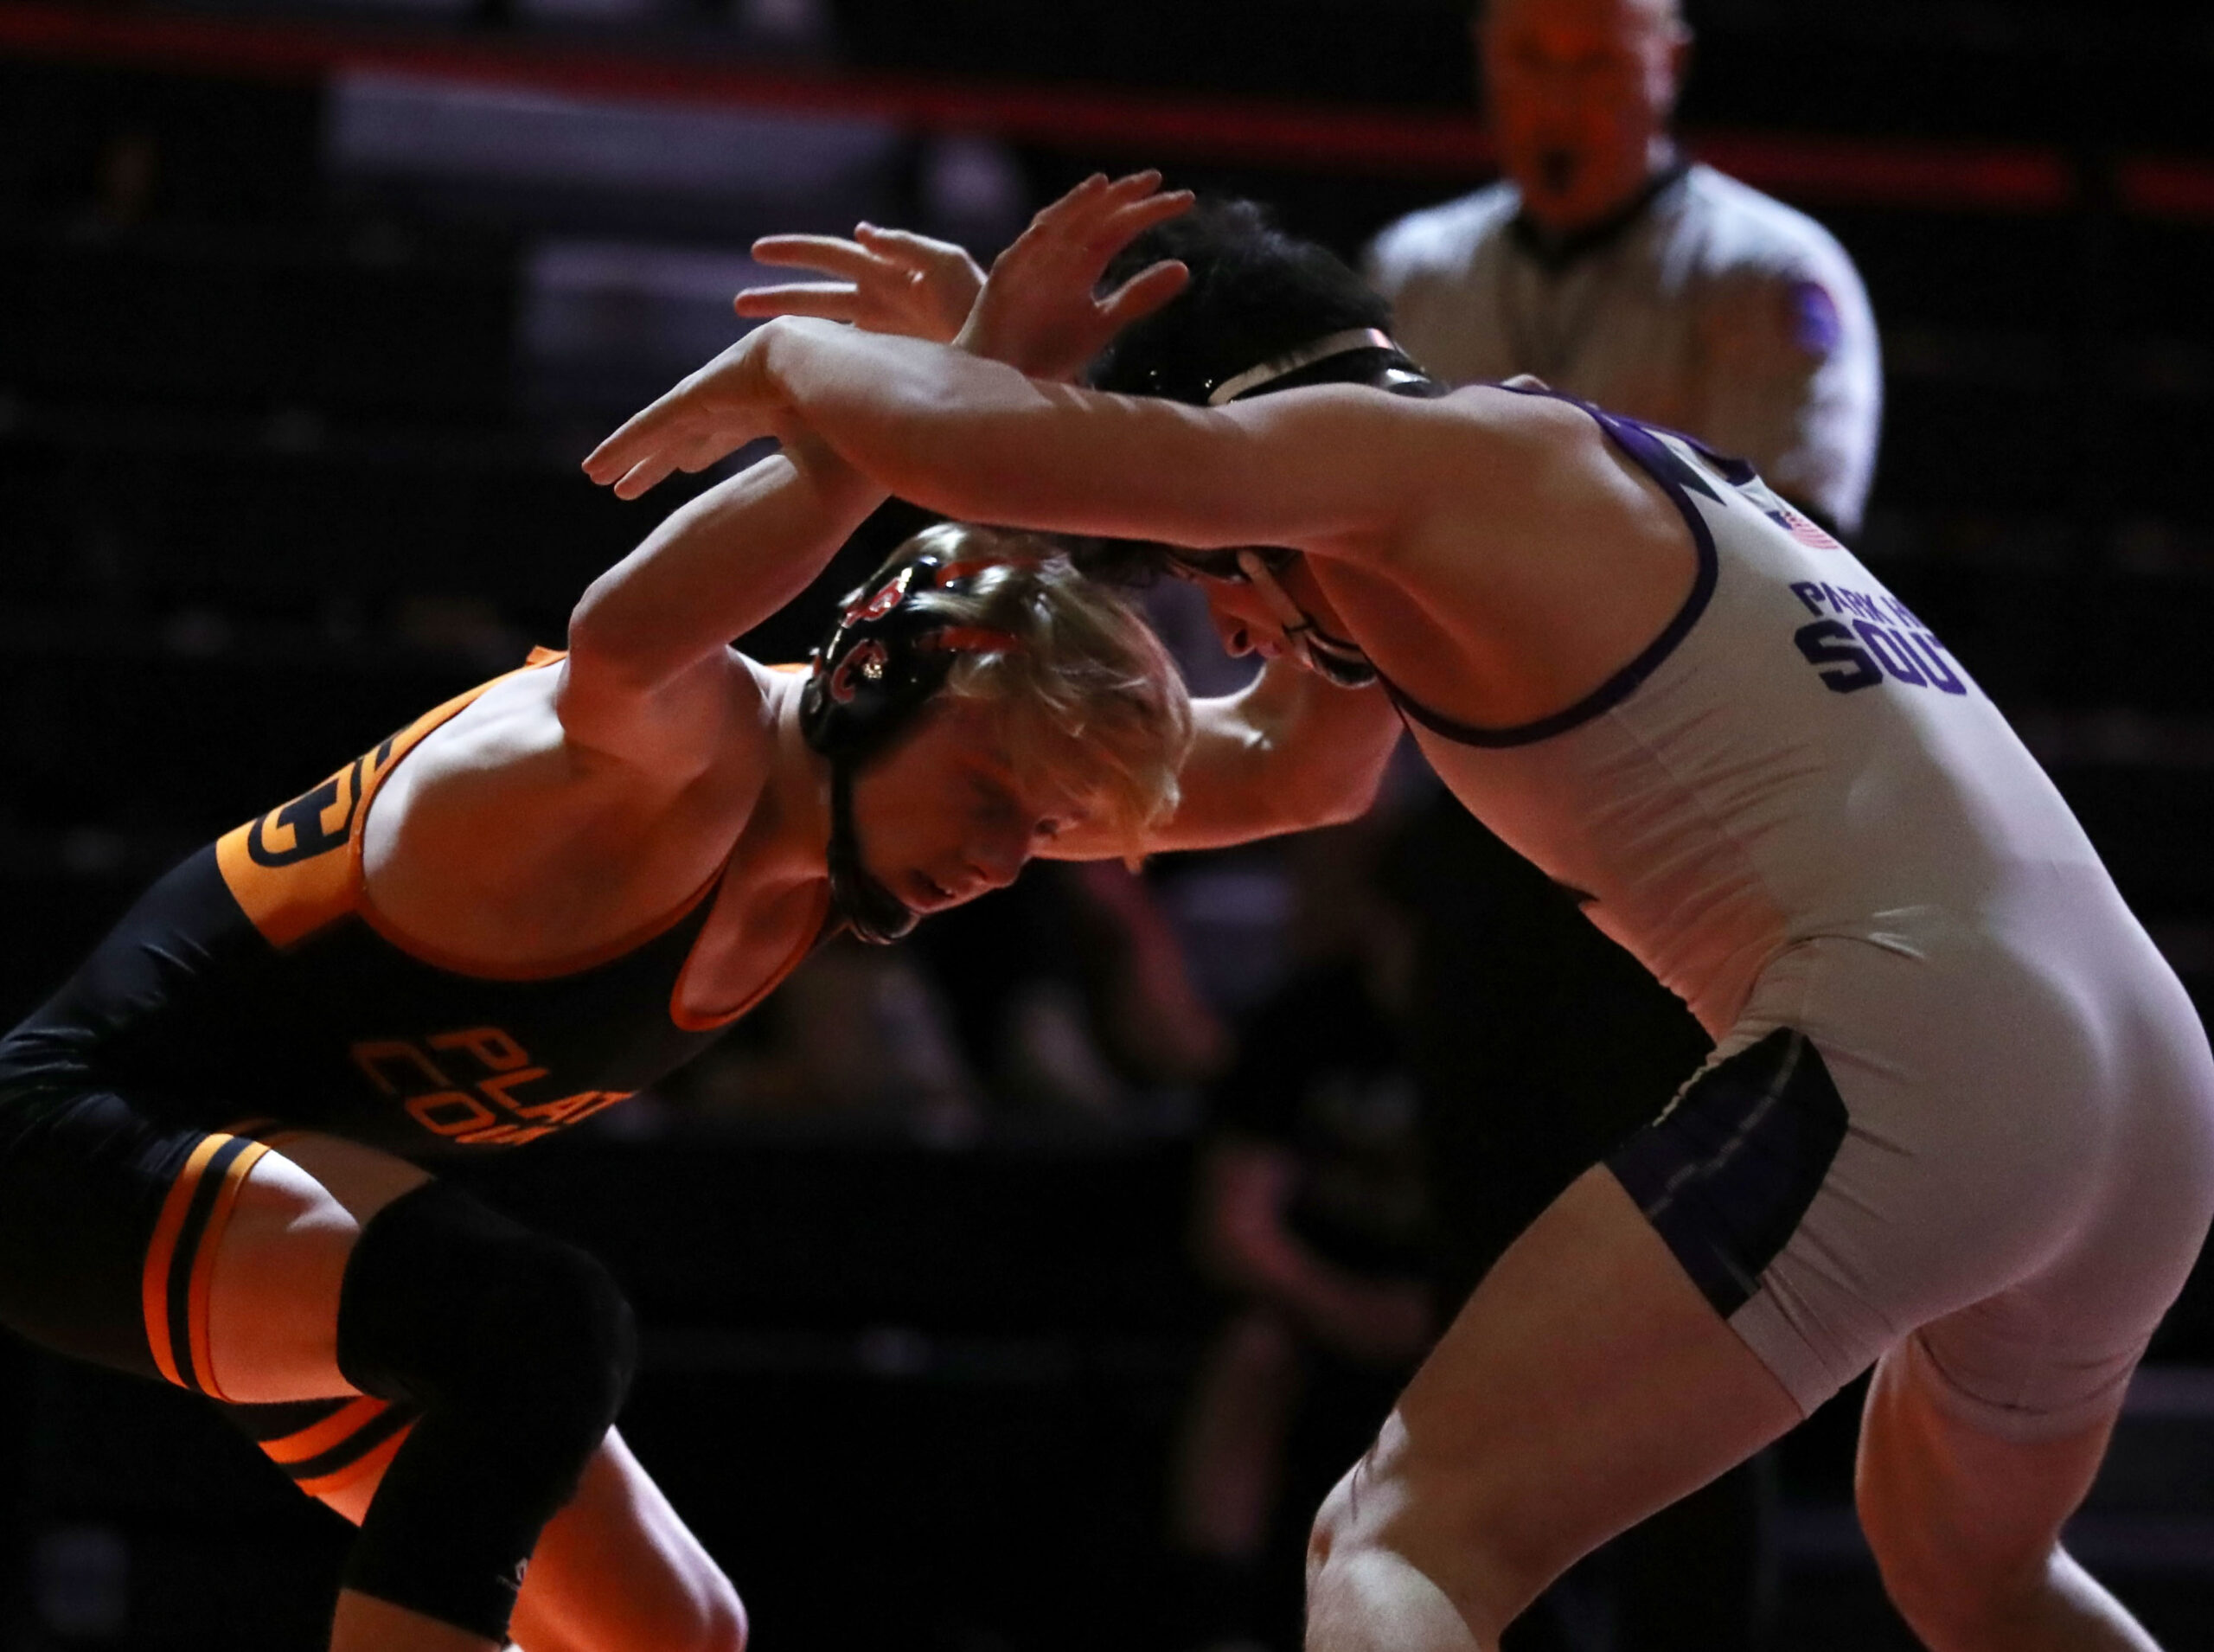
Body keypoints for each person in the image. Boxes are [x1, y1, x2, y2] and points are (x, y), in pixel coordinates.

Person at [589, 182, 2214, 1651]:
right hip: (2147, 1084)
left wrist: (849, 369)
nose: (1230, 623)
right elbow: (1289, 774)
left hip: (1934, 1043)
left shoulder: (1419, 458)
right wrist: (964, 793)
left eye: (1209, 578)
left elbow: (1005, 456)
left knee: (1402, 1532)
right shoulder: (1488, 498)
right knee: (1975, 1578)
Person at [0, 174, 1305, 1652]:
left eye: (1045, 828)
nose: (1007, 861)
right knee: (531, 1331)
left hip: (293, 1205)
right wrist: (911, 410)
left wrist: (1349, 514)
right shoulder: (682, 754)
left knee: (677, 1631)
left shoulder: (839, 836)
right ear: (875, 676)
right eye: (994, 796)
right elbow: (620, 639)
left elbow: (1294, 776)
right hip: (78, 1150)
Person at [1366, 0, 1880, 538]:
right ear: (1484, 55)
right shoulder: (1412, 269)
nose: (1558, 101)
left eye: (1599, 63)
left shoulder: (1770, 275)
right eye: (1528, 57)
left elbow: (1793, 545)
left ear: (1671, 64)